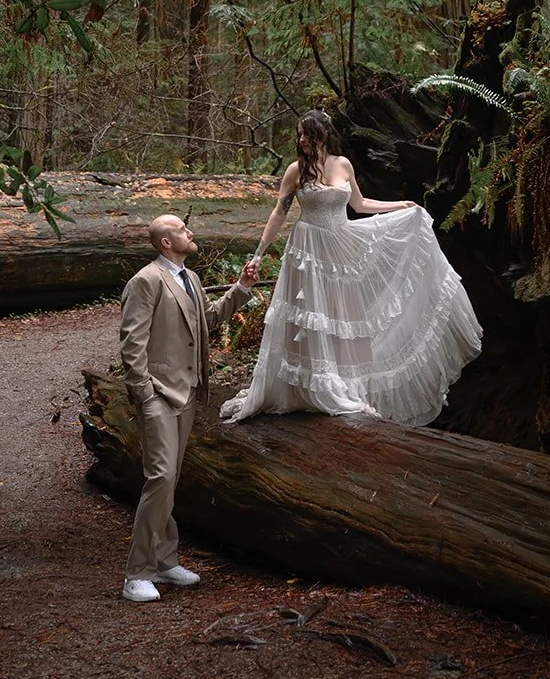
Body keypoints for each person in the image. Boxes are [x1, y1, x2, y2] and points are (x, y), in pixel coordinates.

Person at [220, 110, 481, 427]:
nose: (301, 140)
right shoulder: (296, 171)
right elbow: (279, 212)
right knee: (310, 316)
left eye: (306, 133)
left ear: (322, 134)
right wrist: (258, 253)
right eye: (299, 134)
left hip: (341, 248)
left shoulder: (343, 164)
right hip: (308, 249)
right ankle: (306, 387)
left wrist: (401, 206)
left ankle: (340, 384)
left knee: (341, 316)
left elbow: (359, 205)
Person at [119, 214, 258, 603]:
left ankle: (164, 561)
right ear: (166, 242)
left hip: (188, 392)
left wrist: (240, 288)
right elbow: (132, 343)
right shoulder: (146, 281)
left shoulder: (190, 279)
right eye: (182, 229)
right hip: (159, 395)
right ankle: (137, 573)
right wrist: (144, 393)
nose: (190, 232)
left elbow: (207, 321)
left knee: (171, 478)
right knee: (160, 477)